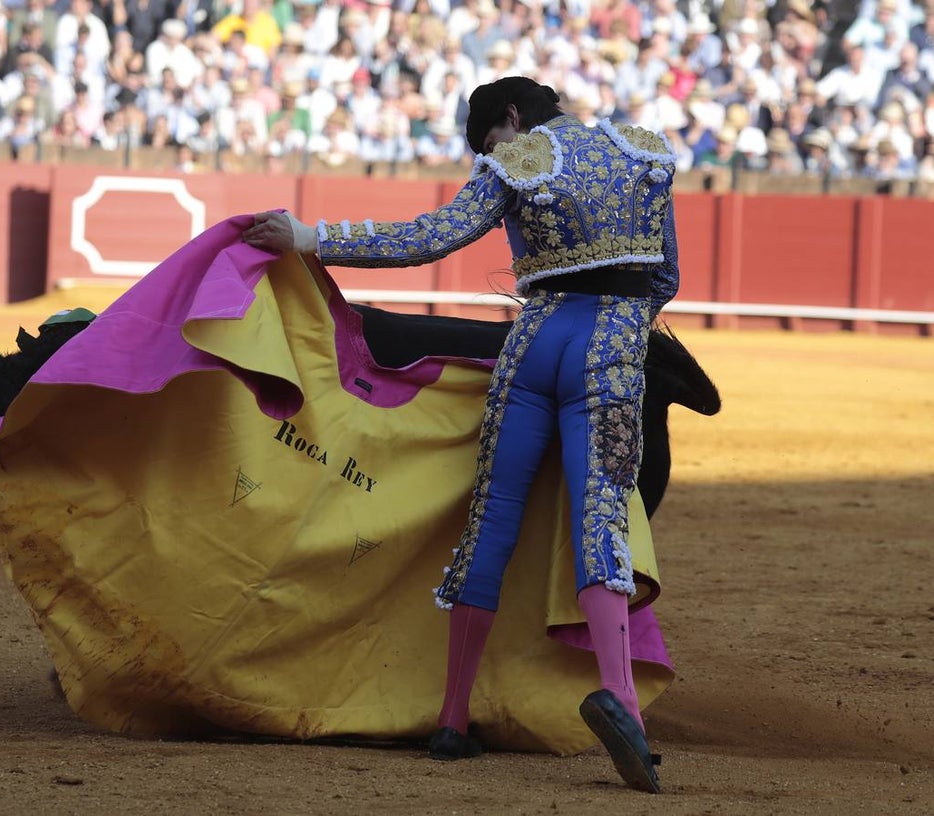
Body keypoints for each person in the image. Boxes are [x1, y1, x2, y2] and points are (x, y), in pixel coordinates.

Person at [242, 75, 679, 794]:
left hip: (532, 344)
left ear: (510, 117)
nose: (491, 153)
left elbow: (431, 238)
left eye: (488, 140)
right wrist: (624, 323)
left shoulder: (514, 161)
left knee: (492, 515)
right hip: (609, 342)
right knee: (598, 515)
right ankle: (622, 705)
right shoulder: (645, 154)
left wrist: (313, 237)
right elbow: (667, 278)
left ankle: (451, 719)